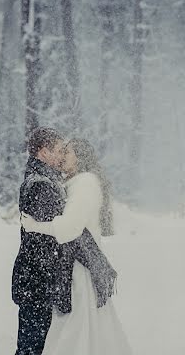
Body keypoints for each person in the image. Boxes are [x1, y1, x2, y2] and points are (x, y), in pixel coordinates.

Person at [20, 138, 133, 355]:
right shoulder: (74, 182)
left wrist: (34, 226)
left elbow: (70, 228)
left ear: (80, 158)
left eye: (68, 153)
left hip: (80, 270)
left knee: (76, 330)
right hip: (74, 266)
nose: (62, 157)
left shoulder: (85, 183)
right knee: (87, 330)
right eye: (61, 152)